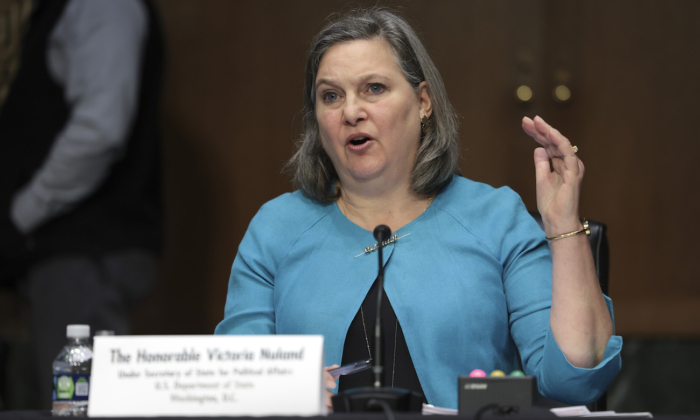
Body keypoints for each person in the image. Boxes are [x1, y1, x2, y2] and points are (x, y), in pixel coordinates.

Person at [214, 8, 621, 410]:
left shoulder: (496, 218)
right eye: (331, 96)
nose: (351, 111)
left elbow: (574, 378)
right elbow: (233, 384)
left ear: (423, 101)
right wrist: (280, 387)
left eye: (373, 88)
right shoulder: (277, 228)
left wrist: (563, 224)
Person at [0, 0, 163, 408]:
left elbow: (100, 130)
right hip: (64, 259)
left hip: (83, 261)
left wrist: (19, 218)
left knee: (78, 409)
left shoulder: (103, 5)